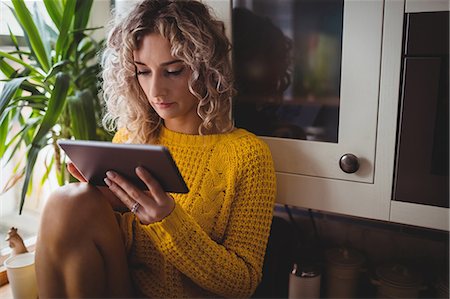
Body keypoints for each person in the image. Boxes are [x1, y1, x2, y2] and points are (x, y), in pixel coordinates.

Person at [35, 0, 277, 298]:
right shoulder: (131, 138)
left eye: (173, 71)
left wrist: (168, 221)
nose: (155, 91)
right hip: (125, 288)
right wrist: (107, 204)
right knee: (67, 200)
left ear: (205, 69)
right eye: (143, 72)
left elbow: (243, 283)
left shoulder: (246, 155)